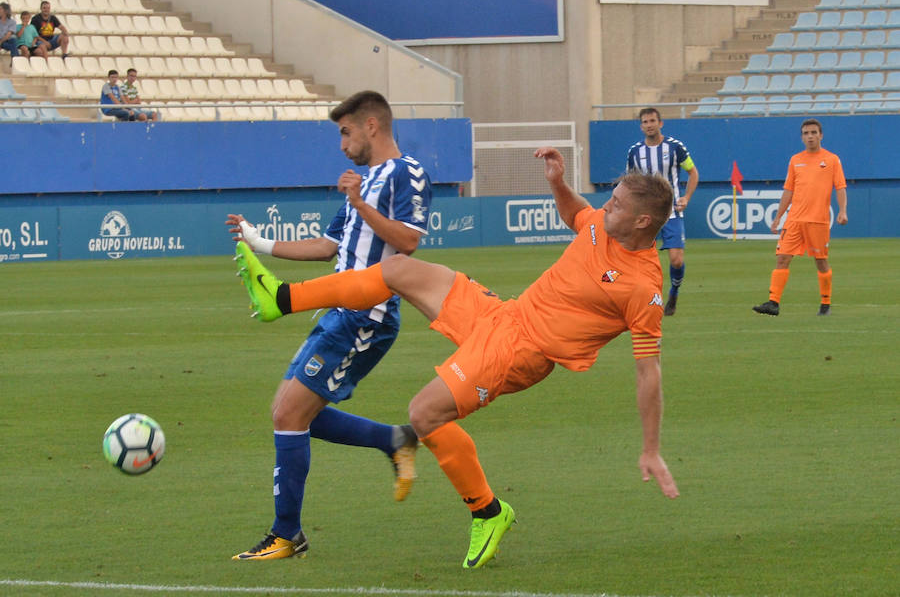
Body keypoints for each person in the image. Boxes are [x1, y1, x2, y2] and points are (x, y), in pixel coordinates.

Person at [234, 146, 681, 569]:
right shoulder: (602, 224)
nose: (606, 208)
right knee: (397, 270)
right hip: (503, 314)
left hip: (521, 351)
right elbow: (577, 216)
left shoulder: (642, 288)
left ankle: (487, 511)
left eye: (618, 205)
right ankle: (282, 298)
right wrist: (558, 183)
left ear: (643, 221)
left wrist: (651, 449)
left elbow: (649, 372)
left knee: (423, 413)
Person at [227, 90, 433, 561]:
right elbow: (328, 246)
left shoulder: (407, 173)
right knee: (290, 411)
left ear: (372, 126)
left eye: (346, 133)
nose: (342, 145)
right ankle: (393, 439)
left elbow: (409, 241)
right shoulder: (362, 182)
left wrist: (361, 204)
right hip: (338, 311)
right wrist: (260, 242)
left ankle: (286, 535)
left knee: (289, 415)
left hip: (368, 317)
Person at [753, 118, 848, 317]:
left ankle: (825, 303)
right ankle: (773, 302)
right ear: (802, 137)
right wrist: (778, 217)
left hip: (818, 221)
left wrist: (842, 210)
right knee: (782, 258)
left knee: (821, 262)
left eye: (814, 132)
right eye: (806, 133)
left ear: (821, 135)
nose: (810, 136)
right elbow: (788, 190)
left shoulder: (832, 160)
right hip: (794, 220)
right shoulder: (796, 160)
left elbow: (840, 187)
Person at [626, 107, 699, 316]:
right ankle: (641, 299)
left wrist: (686, 197)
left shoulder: (675, 148)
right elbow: (630, 182)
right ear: (641, 126)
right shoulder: (634, 152)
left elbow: (693, 172)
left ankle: (674, 293)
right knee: (636, 258)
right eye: (645, 122)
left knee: (677, 260)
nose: (649, 125)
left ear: (661, 123)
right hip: (645, 214)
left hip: (672, 212)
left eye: (652, 121)